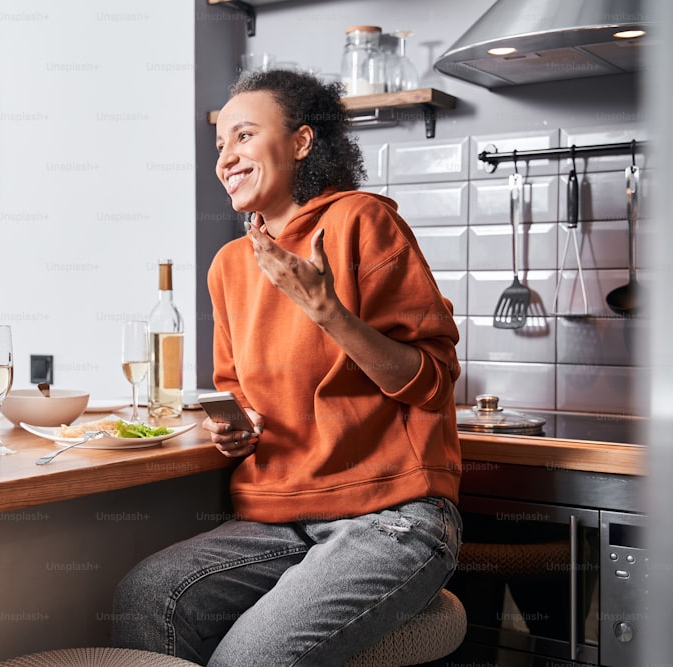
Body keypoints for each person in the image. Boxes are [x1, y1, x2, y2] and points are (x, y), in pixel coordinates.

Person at [112, 69, 462, 665]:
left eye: (244, 136)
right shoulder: (229, 265)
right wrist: (238, 428)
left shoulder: (362, 223)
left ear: (301, 143)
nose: (226, 157)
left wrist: (329, 311)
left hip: (393, 517)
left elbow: (431, 381)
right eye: (221, 144)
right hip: (277, 519)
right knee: (144, 598)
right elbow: (236, 391)